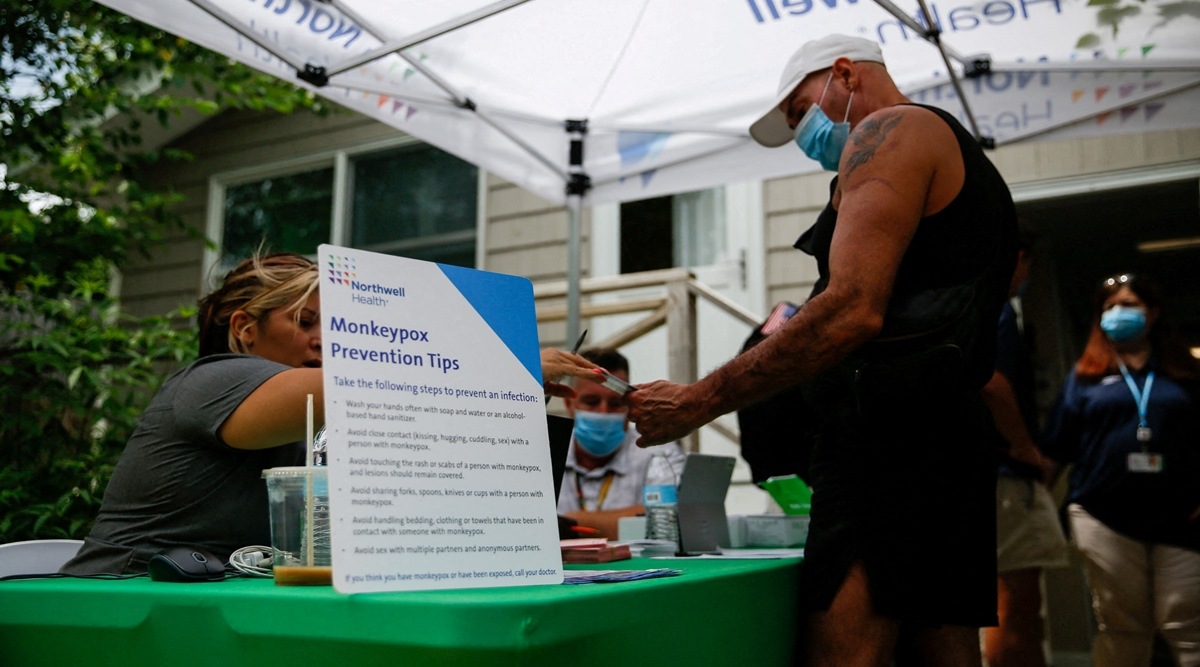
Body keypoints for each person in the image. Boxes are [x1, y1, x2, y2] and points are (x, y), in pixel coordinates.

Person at [628, 34, 1017, 666]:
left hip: (892, 441)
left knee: (846, 653)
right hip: (939, 435)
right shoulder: (937, 150)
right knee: (938, 645)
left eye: (799, 111)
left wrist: (701, 399)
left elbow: (851, 309)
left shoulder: (890, 130)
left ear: (843, 74)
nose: (804, 132)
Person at [62, 252, 601, 575]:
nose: (328, 340)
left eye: (340, 324)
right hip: (114, 606)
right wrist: (503, 369)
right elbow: (370, 387)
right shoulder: (213, 379)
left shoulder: (328, 415)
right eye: (306, 320)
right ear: (246, 329)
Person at [1039, 272, 1200, 667]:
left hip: (1182, 516)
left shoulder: (1186, 376)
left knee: (1184, 618)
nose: (1117, 314)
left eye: (1128, 305)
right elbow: (1056, 448)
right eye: (1109, 308)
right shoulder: (1085, 378)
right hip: (1104, 515)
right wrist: (1034, 504)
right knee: (1123, 622)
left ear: (1153, 313)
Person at [981, 225, 1070, 667]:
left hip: (990, 475)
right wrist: (1023, 448)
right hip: (1005, 478)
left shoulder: (966, 304)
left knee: (1013, 609)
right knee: (1016, 607)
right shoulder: (993, 309)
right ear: (1018, 258)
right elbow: (991, 383)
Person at [557, 347, 685, 539]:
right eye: (591, 402)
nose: (603, 412)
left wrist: (564, 523)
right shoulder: (539, 453)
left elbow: (668, 522)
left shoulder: (660, 453)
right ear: (569, 404)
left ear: (630, 406)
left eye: (616, 404)